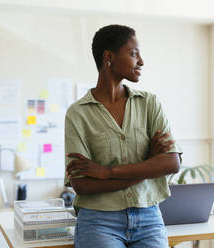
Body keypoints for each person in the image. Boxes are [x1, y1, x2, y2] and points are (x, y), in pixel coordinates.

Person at [64, 24, 182, 248]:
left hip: (149, 218)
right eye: (133, 53)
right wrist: (148, 166)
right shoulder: (78, 114)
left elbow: (171, 162)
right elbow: (82, 185)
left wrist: (106, 172)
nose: (141, 62)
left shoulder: (149, 103)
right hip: (98, 221)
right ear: (109, 57)